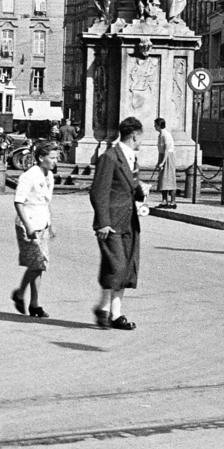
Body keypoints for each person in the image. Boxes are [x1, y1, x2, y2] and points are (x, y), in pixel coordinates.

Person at [89, 116, 146, 330]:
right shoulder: (110, 158)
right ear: (134, 136)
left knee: (123, 266)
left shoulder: (131, 159)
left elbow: (129, 188)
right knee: (118, 266)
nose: (141, 142)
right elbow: (98, 191)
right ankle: (110, 311)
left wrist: (141, 191)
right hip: (111, 223)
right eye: (141, 137)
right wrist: (103, 222)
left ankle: (109, 311)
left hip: (129, 221)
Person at [11, 141, 59, 318]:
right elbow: (18, 202)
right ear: (41, 158)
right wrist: (28, 226)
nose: (55, 161)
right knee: (38, 263)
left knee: (39, 265)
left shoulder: (49, 176)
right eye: (52, 157)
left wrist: (50, 224)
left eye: (56, 157)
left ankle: (33, 303)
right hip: (28, 225)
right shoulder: (29, 176)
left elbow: (46, 203)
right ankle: (22, 294)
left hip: (42, 224)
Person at [152, 117, 178, 209]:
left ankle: (173, 201)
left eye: (155, 125)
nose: (154, 126)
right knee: (163, 179)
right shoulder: (160, 135)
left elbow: (167, 150)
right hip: (163, 156)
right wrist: (159, 161)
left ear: (159, 125)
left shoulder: (166, 135)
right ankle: (164, 200)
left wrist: (162, 162)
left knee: (169, 179)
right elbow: (161, 150)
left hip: (168, 158)